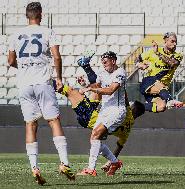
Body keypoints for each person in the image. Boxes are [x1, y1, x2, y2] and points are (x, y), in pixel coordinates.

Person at [7, 2, 75, 185]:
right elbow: (57, 57)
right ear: (40, 14)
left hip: (24, 84)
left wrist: (23, 67)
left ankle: (35, 167)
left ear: (27, 16)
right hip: (43, 82)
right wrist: (59, 78)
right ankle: (64, 163)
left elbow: (11, 60)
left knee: (30, 124)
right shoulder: (48, 31)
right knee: (54, 121)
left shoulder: (16, 34)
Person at [55, 78, 145, 173]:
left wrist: (119, 83)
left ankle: (48, 84)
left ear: (134, 110)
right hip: (93, 116)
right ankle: (114, 162)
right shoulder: (128, 130)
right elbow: (119, 148)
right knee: (97, 143)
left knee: (69, 91)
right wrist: (109, 163)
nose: (130, 105)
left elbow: (123, 96)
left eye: (132, 105)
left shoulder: (127, 113)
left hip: (90, 116)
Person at [76, 51, 127, 176]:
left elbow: (110, 90)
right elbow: (97, 86)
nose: (104, 64)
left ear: (113, 61)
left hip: (117, 110)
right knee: (95, 138)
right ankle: (115, 162)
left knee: (96, 134)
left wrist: (90, 88)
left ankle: (91, 169)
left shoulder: (120, 73)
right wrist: (85, 84)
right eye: (102, 62)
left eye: (106, 62)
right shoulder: (102, 73)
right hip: (104, 110)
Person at [135, 32, 183, 113]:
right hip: (149, 82)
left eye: (176, 42)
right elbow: (137, 59)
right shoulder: (152, 52)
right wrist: (139, 64)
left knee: (161, 107)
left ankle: (134, 105)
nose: (175, 44)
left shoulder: (178, 55)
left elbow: (172, 63)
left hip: (161, 90)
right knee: (161, 87)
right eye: (172, 41)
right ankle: (170, 100)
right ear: (165, 41)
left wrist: (158, 53)